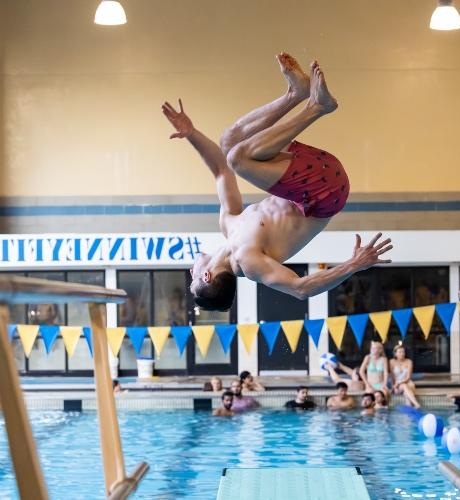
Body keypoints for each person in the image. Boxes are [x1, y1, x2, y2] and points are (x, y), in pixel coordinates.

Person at [162, 52, 393, 311]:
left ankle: (296, 93)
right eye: (192, 279)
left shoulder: (229, 225)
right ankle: (317, 107)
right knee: (238, 158)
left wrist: (192, 134)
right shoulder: (248, 263)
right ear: (207, 276)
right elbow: (300, 288)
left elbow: (220, 171)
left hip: (312, 176)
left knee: (229, 144)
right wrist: (353, 264)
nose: (190, 272)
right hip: (324, 195)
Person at [390, 344, 420, 408]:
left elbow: (408, 377)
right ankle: (416, 404)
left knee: (409, 386)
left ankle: (410, 407)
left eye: (403, 352)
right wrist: (394, 386)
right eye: (400, 352)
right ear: (395, 354)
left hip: (406, 381)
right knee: (405, 386)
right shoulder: (391, 362)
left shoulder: (409, 362)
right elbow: (392, 376)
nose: (402, 353)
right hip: (397, 384)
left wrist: (400, 383)